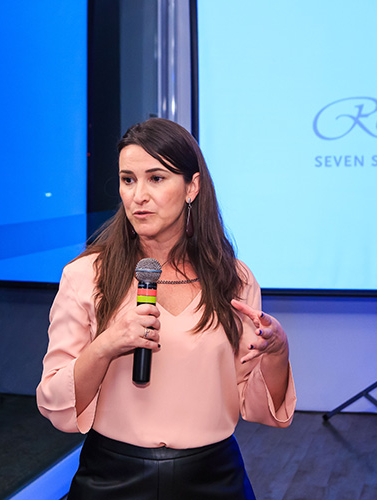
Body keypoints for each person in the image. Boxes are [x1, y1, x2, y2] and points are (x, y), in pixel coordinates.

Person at [36, 118, 296, 499]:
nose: (138, 196)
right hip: (112, 479)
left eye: (156, 178)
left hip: (213, 479)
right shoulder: (85, 276)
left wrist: (278, 352)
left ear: (192, 187)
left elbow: (255, 405)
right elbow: (54, 400)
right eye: (128, 180)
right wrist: (106, 344)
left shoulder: (234, 279)